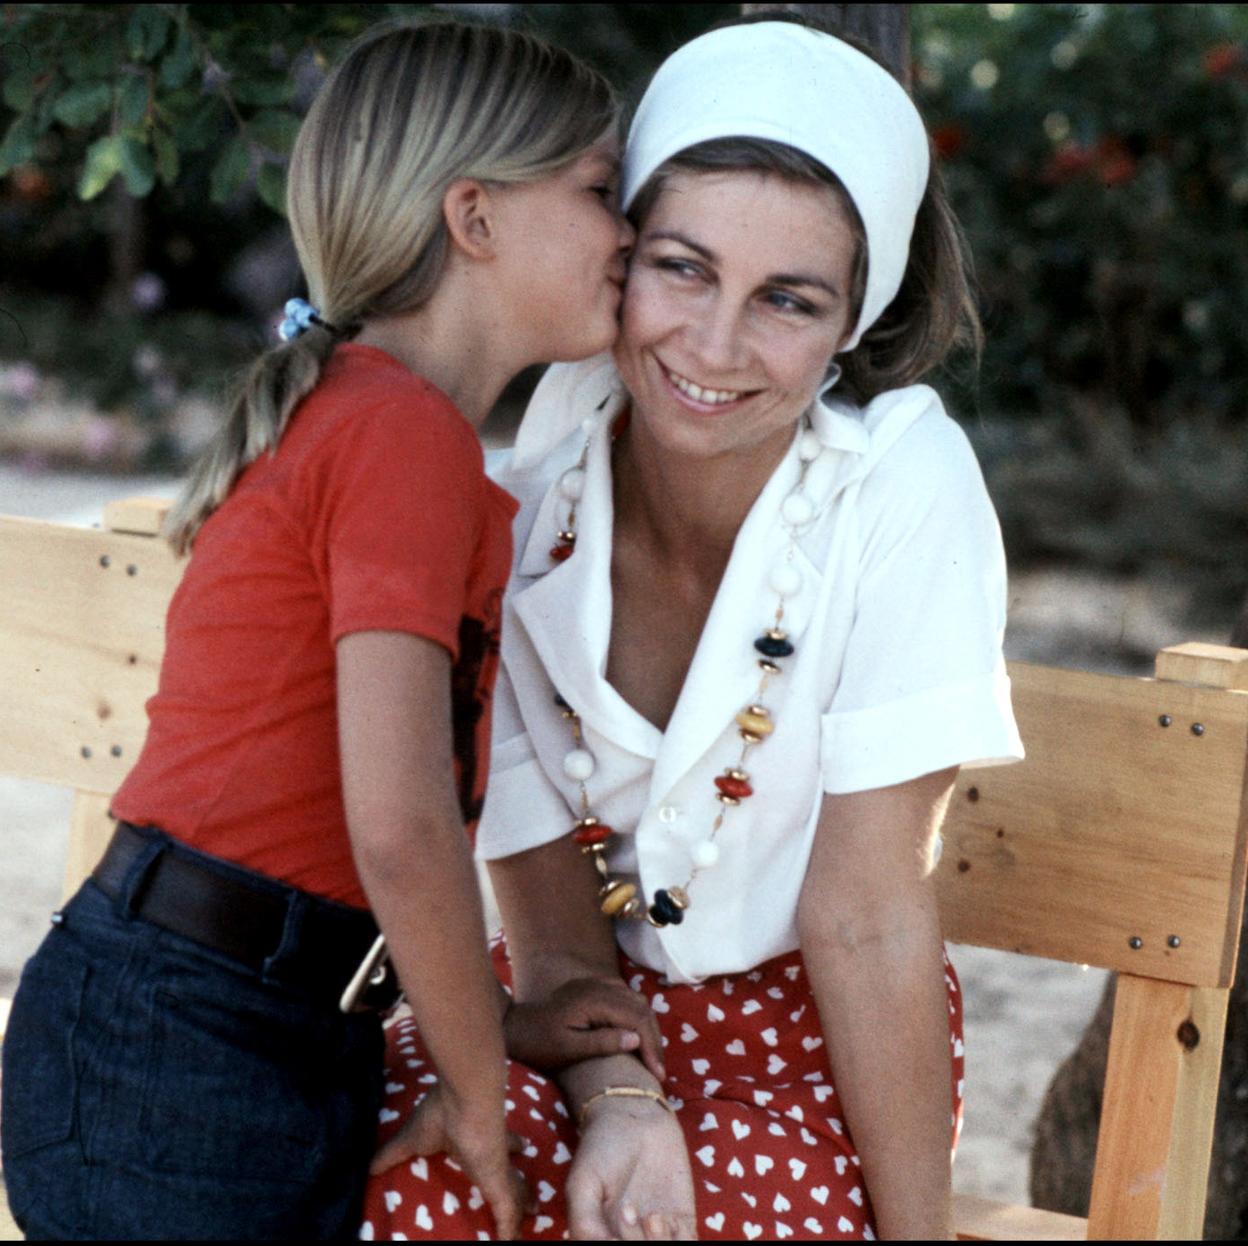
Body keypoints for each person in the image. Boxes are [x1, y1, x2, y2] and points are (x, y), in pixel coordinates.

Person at [361, 14, 1025, 1242]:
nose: (714, 346)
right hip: (564, 1007)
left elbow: (868, 914)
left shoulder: (901, 490)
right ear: (619, 253)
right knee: (410, 1186)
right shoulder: (529, 484)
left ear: (855, 320)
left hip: (814, 1025)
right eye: (682, 267)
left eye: (788, 299)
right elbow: (544, 908)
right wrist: (618, 1097)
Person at [0, 18, 662, 1241]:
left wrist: (489, 1023)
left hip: (260, 1027)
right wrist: (476, 1093)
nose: (630, 232)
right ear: (474, 217)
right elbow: (402, 824)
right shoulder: (396, 433)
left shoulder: (394, 429)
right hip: (181, 1053)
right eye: (598, 190)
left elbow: (339, 841)